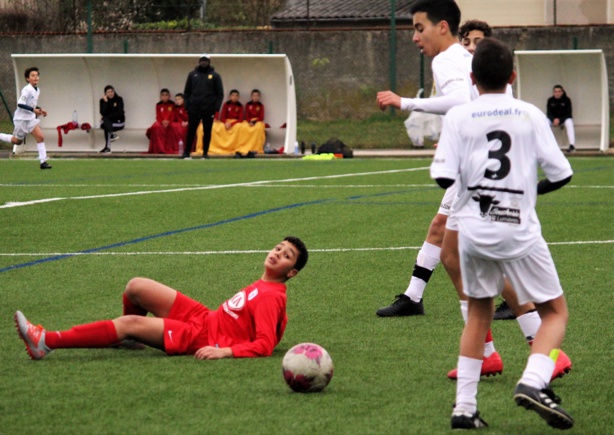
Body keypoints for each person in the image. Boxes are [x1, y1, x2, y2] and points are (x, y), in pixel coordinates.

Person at [376, 0, 572, 382]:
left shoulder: (447, 59)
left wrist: (406, 102)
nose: (415, 37)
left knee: (463, 254)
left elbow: (462, 102)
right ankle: (500, 350)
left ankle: (523, 350)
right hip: (485, 165)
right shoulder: (458, 58)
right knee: (450, 250)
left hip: (478, 173)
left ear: (443, 26)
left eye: (419, 28)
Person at [431, 37, 574, 430]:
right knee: (555, 312)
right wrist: (530, 192)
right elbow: (562, 174)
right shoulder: (529, 113)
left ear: (472, 79)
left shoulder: (460, 117)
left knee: (479, 312)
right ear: (512, 76)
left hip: (475, 232)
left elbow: (442, 174)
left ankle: (464, 407)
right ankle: (533, 379)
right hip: (520, 230)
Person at [14, 237, 308, 361]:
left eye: (286, 256)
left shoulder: (272, 296)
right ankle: (127, 339)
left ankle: (46, 341)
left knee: (128, 322)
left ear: (291, 272)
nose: (277, 253)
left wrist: (224, 352)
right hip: (204, 318)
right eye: (278, 247)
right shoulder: (266, 283)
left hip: (201, 337)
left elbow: (266, 345)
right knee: (136, 287)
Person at [0, 67, 51, 169]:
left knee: (40, 137)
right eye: (33, 76)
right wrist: (34, 110)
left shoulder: (37, 90)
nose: (36, 77)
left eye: (37, 75)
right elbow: (20, 104)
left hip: (30, 119)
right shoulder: (27, 89)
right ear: (28, 79)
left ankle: (43, 162)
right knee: (17, 141)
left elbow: (31, 105)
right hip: (21, 119)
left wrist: (40, 110)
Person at [181, 54, 224, 159]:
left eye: (205, 60)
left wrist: (216, 108)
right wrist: (187, 106)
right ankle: (186, 152)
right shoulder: (192, 75)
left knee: (207, 131)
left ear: (209, 62)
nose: (203, 62)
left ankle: (205, 153)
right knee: (191, 131)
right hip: (194, 109)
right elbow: (187, 92)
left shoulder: (215, 76)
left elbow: (220, 93)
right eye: (202, 60)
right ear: (199, 61)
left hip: (208, 109)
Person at [146, 88, 177, 154]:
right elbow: (158, 116)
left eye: (166, 95)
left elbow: (174, 115)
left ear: (169, 96)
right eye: (162, 95)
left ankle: (171, 148)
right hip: (161, 122)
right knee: (156, 126)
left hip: (170, 122)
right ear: (160, 97)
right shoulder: (158, 105)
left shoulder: (173, 104)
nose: (164, 97)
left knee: (174, 127)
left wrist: (169, 121)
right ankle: (159, 149)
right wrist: (162, 121)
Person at [547, 85, 575, 153]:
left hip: (563, 119)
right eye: (555, 91)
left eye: (559, 91)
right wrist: (553, 119)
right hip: (553, 120)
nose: (557, 93)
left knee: (569, 122)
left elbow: (569, 114)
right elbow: (548, 113)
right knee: (545, 122)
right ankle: (547, 145)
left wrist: (560, 120)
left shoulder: (567, 100)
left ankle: (572, 145)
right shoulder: (550, 100)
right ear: (553, 92)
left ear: (562, 92)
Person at [99, 85, 125, 153]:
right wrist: (106, 102)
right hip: (109, 123)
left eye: (112, 91)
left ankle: (107, 147)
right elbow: (103, 112)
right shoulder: (102, 101)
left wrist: (108, 116)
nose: (110, 93)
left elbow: (119, 113)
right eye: (108, 92)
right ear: (105, 94)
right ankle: (112, 135)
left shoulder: (119, 99)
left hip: (119, 122)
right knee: (105, 124)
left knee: (106, 124)